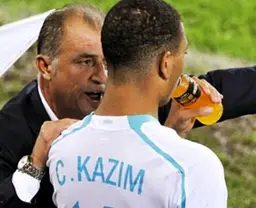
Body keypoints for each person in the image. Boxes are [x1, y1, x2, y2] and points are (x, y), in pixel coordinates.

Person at [0, 2, 256, 208]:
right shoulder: (10, 135)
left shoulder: (125, 100)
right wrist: (34, 167)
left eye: (107, 60)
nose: (103, 75)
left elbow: (219, 91)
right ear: (45, 67)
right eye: (85, 62)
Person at [48, 0, 227, 207]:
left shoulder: (63, 147)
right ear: (165, 63)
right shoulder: (193, 167)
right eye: (183, 53)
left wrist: (170, 134)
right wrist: (170, 143)